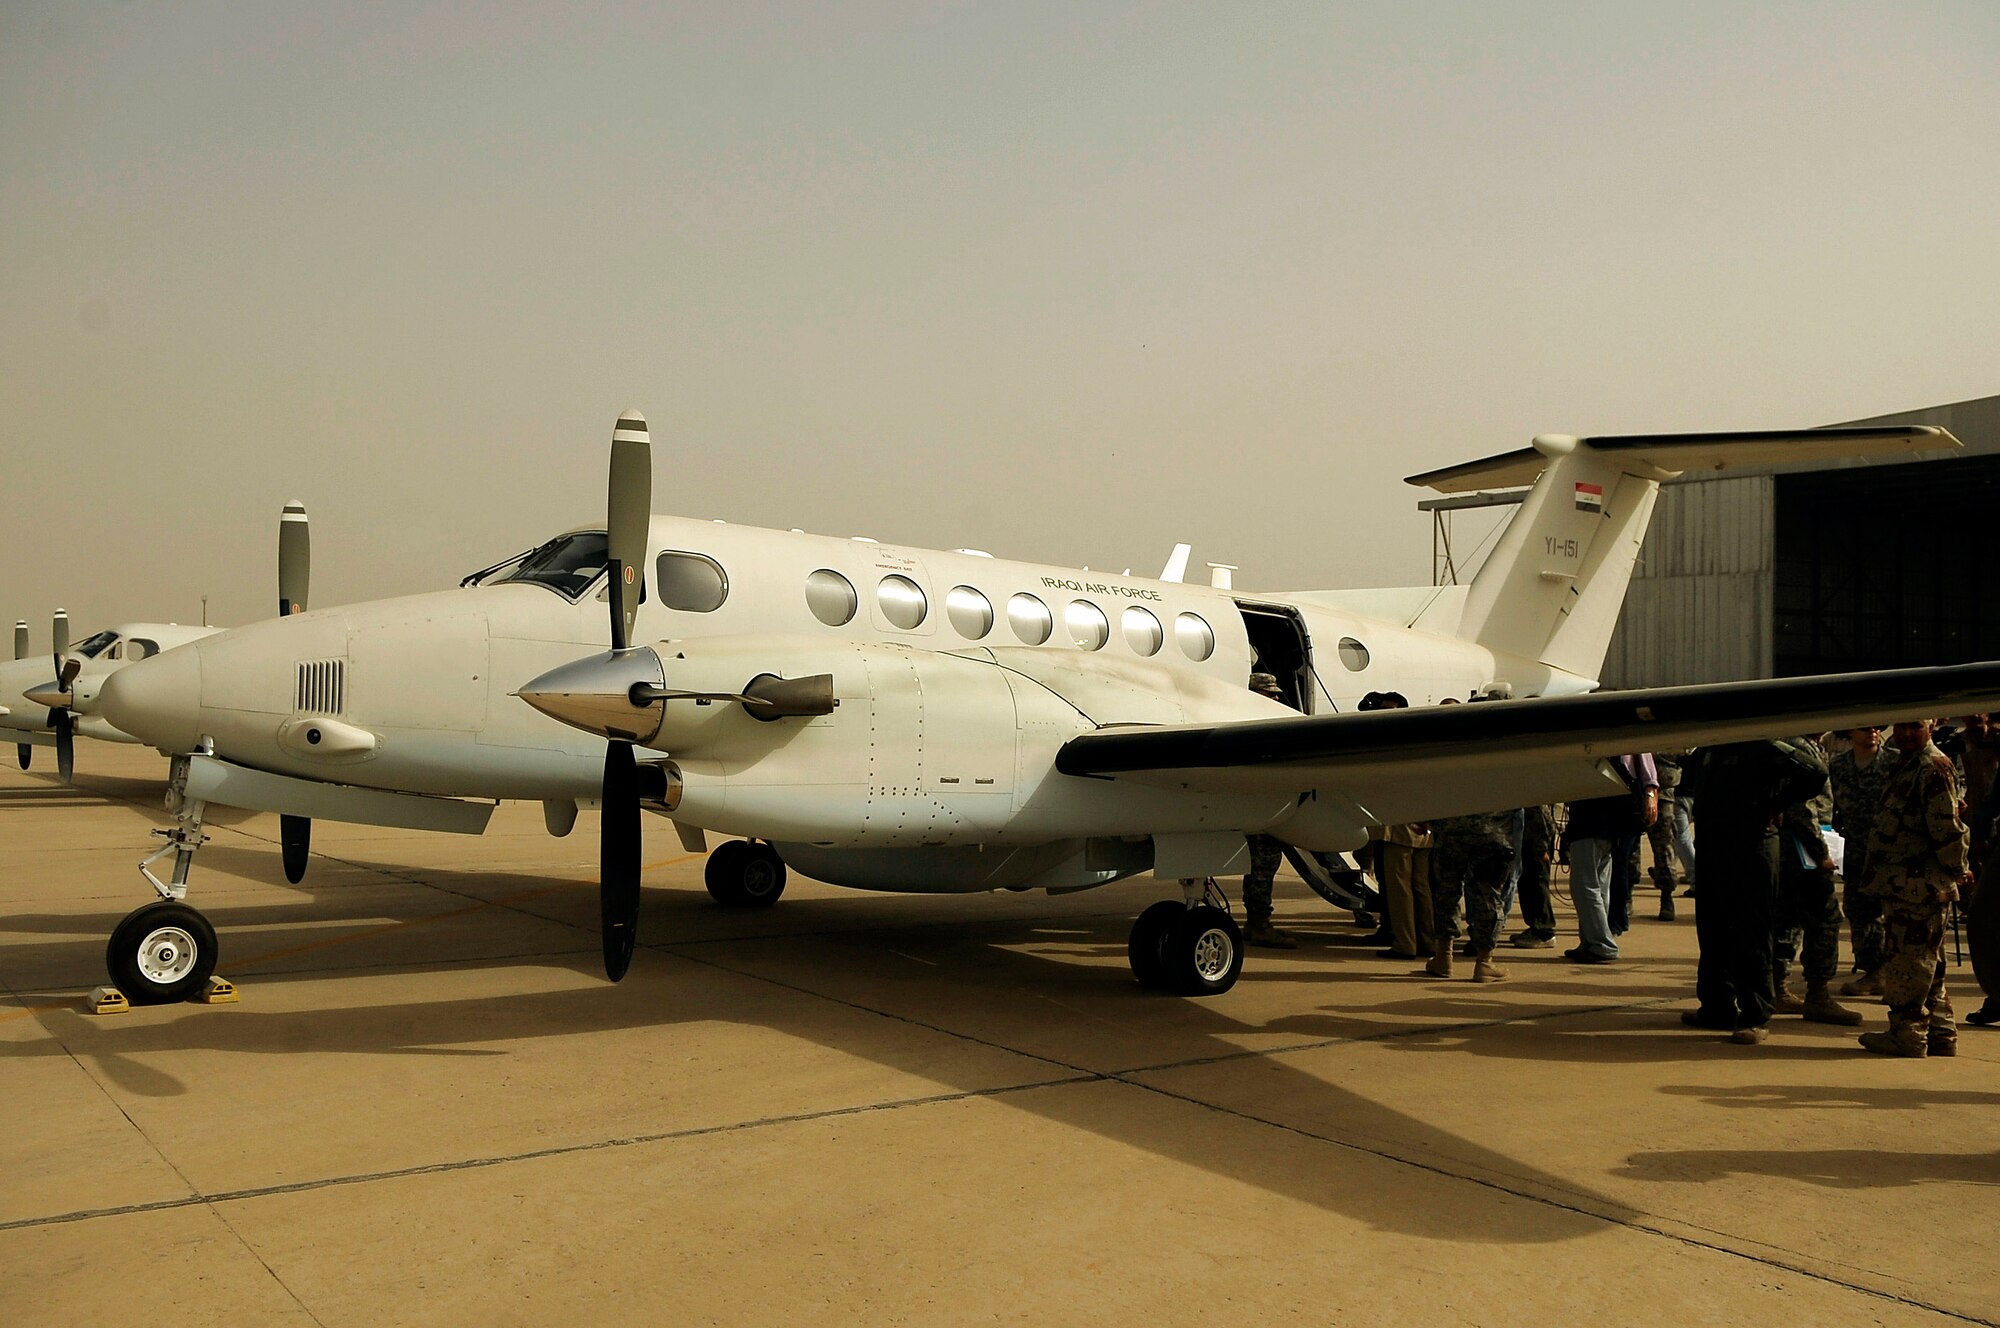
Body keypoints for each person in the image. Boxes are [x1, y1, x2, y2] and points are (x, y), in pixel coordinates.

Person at [1680, 739, 1828, 1045]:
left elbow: (1815, 772)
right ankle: (1716, 1007)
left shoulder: (1765, 743)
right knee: (1712, 928)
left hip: (1753, 845)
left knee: (1752, 931)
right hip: (1711, 847)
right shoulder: (1709, 747)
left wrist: (1777, 803)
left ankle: (1756, 1015)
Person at [1856, 718, 1971, 1058]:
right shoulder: (1905, 763)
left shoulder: (1932, 767)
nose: (1906, 733)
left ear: (1932, 726)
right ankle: (1939, 1031)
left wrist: (1958, 870)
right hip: (1903, 882)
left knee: (1909, 962)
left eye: (1915, 726)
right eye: (1902, 726)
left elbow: (1947, 828)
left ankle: (1907, 1033)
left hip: (1919, 885)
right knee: (1928, 961)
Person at [1769, 735, 1862, 1026]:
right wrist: (1820, 853)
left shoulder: (1790, 744)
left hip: (1786, 851)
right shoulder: (1800, 748)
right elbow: (1802, 807)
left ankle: (1778, 988)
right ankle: (1818, 995)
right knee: (1825, 920)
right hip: (1802, 853)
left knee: (1786, 920)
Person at [1562, 754, 1658, 964]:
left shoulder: (1591, 750)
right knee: (1600, 884)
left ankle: (1601, 944)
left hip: (1591, 820)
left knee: (1585, 886)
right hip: (1612, 824)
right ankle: (1590, 940)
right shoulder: (1620, 745)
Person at [1828, 726, 1897, 996]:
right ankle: (1874, 970)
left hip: (1890, 851)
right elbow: (1831, 808)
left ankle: (1896, 973)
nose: (1872, 732)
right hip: (1855, 851)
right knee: (1859, 913)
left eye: (1876, 728)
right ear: (1850, 732)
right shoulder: (1839, 766)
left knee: (1894, 915)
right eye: (1864, 728)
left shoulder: (1894, 761)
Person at [1240, 672, 1301, 949]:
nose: (1276, 697)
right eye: (1270, 693)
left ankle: (1256, 923)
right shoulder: (1256, 725)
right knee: (1263, 867)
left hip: (1259, 810)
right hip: (1260, 813)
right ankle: (1259, 924)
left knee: (1259, 869)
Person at [1427, 805, 1516, 981]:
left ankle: (1444, 956)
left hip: (1451, 829)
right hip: (1491, 833)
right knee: (1488, 897)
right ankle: (1484, 962)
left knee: (1446, 892)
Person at [1648, 750, 1694, 919]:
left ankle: (1666, 896)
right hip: (1631, 788)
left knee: (1664, 845)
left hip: (1663, 790)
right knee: (1628, 849)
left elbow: (1685, 751)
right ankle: (1625, 897)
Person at [1509, 805, 1558, 947]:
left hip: (1535, 842)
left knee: (1537, 884)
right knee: (1527, 885)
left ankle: (1544, 932)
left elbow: (1540, 821)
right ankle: (1535, 927)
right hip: (1527, 839)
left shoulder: (1531, 797)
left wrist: (1541, 849)